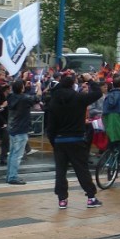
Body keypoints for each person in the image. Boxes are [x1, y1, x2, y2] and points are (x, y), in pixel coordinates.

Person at [46, 73, 103, 209]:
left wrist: (53, 141)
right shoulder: (79, 98)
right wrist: (90, 80)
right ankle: (91, 197)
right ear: (72, 85)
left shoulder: (54, 101)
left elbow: (50, 126)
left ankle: (62, 199)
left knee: (60, 171)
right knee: (82, 169)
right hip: (76, 139)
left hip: (60, 140)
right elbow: (98, 93)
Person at [6, 79, 41, 185]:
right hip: (21, 129)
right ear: (22, 88)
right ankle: (12, 177)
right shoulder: (24, 99)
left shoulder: (11, 97)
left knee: (12, 154)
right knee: (17, 155)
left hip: (12, 128)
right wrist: (38, 86)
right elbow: (38, 98)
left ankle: (10, 175)